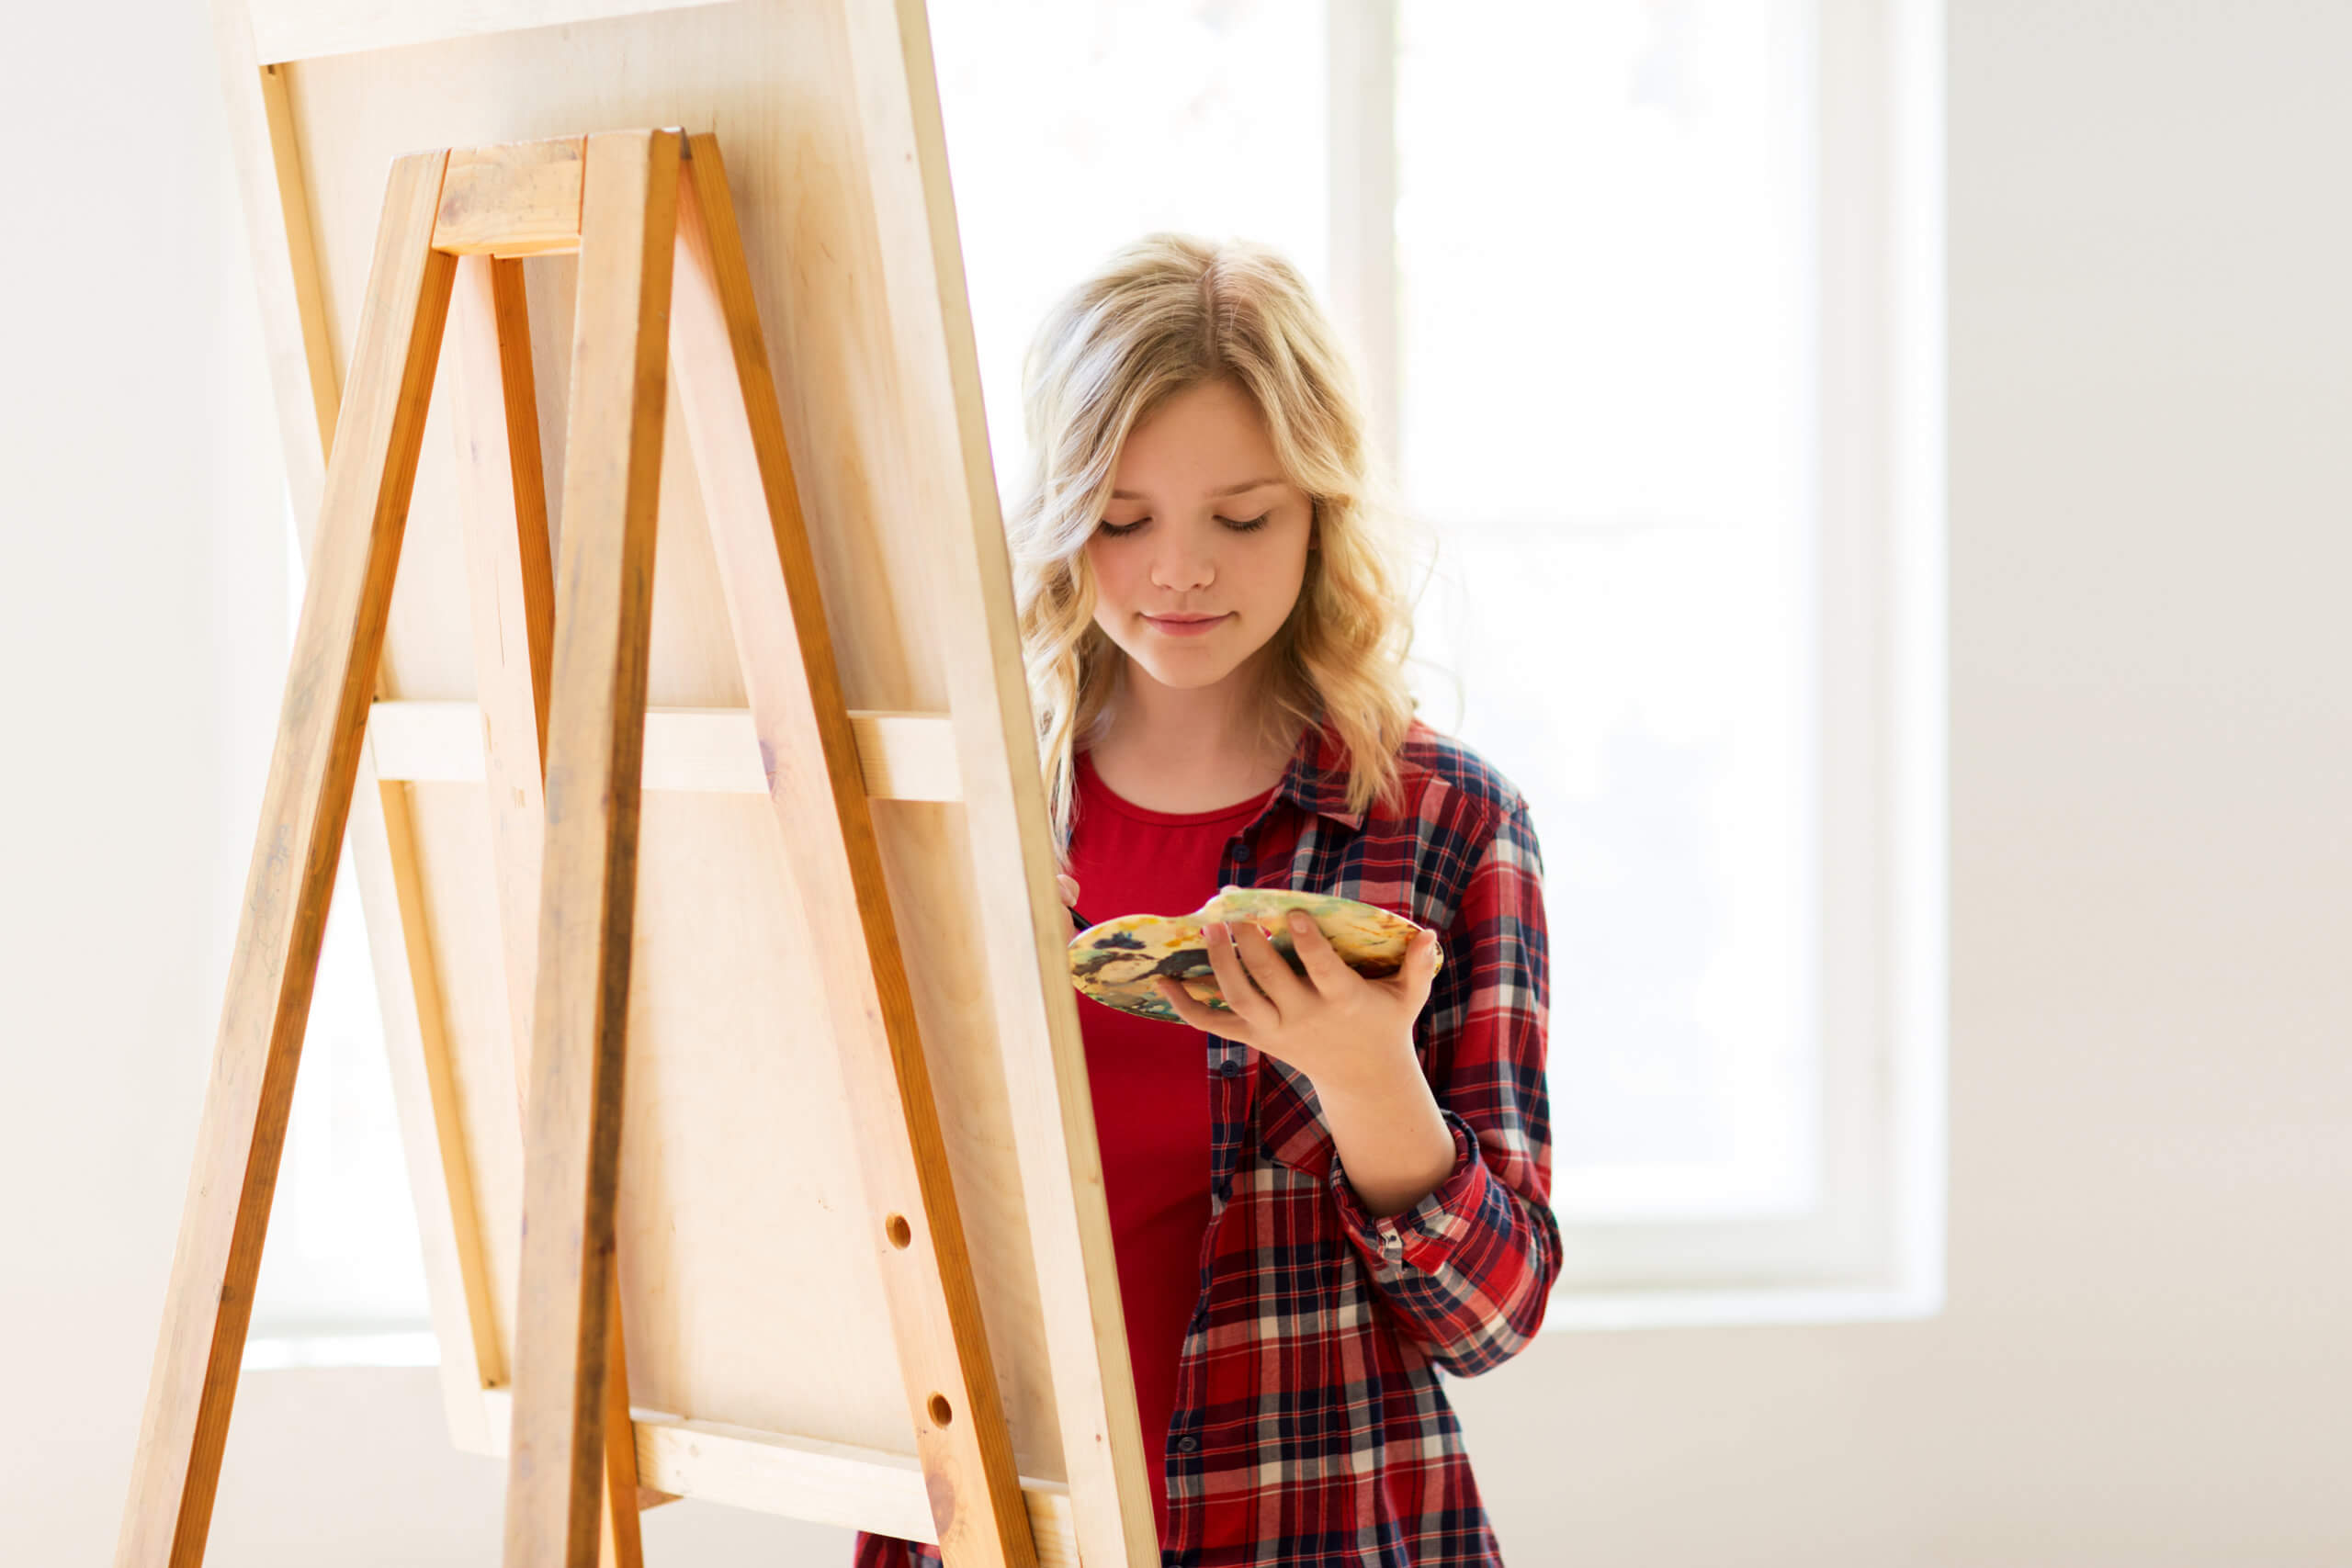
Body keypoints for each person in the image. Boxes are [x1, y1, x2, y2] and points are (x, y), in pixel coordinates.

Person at [855, 232, 1561, 1568]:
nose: (1181, 570)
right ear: (1061, 515)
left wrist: (1368, 1080)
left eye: (1243, 518)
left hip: (1316, 1531)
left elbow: (1492, 1320)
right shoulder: (945, 807)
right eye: (1124, 518)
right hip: (988, 1528)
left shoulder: (1445, 830)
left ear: (1320, 517)